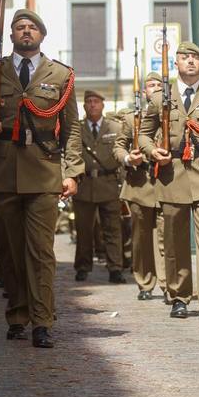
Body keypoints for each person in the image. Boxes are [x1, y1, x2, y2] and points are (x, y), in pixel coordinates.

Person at [0, 9, 84, 348]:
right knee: (10, 249)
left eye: (32, 27)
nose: (26, 31)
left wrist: (72, 171)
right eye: (20, 27)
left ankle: (42, 320)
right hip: (3, 170)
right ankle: (18, 313)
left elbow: (72, 127)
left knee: (41, 250)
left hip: (44, 169)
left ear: (42, 35)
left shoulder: (60, 75)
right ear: (13, 34)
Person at [139, 41, 199, 324]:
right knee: (175, 240)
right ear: (176, 63)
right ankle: (180, 296)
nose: (190, 61)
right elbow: (144, 134)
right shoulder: (161, 98)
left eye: (195, 58)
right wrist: (151, 150)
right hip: (172, 176)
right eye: (185, 57)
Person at [115, 71, 167, 302]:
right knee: (141, 238)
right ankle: (145, 282)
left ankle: (169, 284)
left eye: (159, 84)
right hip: (139, 183)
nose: (155, 88)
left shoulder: (171, 114)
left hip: (166, 182)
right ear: (144, 91)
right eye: (150, 85)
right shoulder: (130, 118)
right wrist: (128, 158)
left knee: (167, 238)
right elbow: (118, 147)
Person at [72, 90, 125, 284]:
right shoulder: (76, 129)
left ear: (103, 105)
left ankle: (115, 268)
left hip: (108, 184)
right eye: (89, 102)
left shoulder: (115, 127)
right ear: (84, 106)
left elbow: (121, 155)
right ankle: (82, 267)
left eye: (96, 101)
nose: (92, 105)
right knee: (84, 230)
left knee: (112, 229)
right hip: (84, 185)